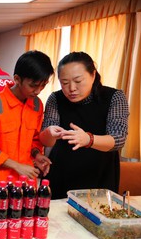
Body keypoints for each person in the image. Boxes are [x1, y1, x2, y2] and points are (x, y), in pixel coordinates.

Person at [39, 52, 129, 199]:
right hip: (62, 171)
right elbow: (46, 141)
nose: (71, 88)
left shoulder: (114, 97)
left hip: (99, 173)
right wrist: (49, 132)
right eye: (64, 83)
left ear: (93, 75)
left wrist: (88, 139)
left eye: (78, 81)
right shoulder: (56, 98)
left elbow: (118, 139)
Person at [0, 50, 54, 181]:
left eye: (43, 86)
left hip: (26, 181)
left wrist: (37, 155)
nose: (38, 91)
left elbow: (34, 140)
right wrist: (17, 166)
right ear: (17, 79)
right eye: (33, 86)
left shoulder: (37, 105)